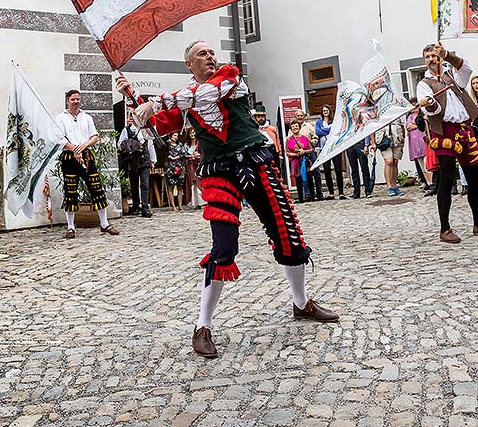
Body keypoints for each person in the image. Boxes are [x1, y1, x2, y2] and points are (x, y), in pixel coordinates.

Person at [116, 41, 339, 359]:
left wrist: (156, 101)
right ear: (189, 66)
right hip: (219, 172)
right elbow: (159, 127)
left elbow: (208, 94)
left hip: (255, 162)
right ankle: (202, 326)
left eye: (211, 52)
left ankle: (302, 303)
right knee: (223, 248)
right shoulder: (186, 97)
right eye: (201, 55)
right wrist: (133, 96)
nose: (210, 57)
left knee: (287, 233)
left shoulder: (230, 77)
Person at [416, 43, 478, 243]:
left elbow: (467, 70)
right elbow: (433, 109)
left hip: (465, 130)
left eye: (434, 55)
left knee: (474, 179)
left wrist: (446, 54)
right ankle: (445, 229)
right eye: (428, 56)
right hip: (444, 133)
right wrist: (429, 103)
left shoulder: (452, 76)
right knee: (447, 180)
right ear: (425, 60)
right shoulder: (424, 84)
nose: (432, 59)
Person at [56, 90, 119, 239]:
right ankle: (71, 227)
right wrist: (74, 149)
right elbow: (59, 139)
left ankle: (104, 224)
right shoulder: (60, 118)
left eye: (78, 99)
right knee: (70, 191)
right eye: (73, 99)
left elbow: (95, 136)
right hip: (68, 157)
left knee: (97, 188)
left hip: (87, 155)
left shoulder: (87, 117)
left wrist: (83, 147)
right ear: (67, 101)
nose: (76, 102)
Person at [118, 116, 156, 217]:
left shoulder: (146, 130)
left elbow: (150, 145)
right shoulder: (126, 130)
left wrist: (153, 160)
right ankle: (135, 207)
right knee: (134, 185)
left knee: (145, 185)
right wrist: (129, 145)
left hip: (145, 160)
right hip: (133, 160)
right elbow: (120, 144)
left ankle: (145, 208)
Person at [315, 105, 345, 199]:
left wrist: (325, 130)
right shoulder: (319, 122)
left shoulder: (335, 121)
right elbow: (318, 132)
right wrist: (328, 131)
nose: (325, 112)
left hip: (334, 147)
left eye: (326, 110)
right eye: (323, 110)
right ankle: (331, 193)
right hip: (324, 149)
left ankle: (341, 192)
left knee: (338, 170)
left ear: (330, 111)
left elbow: (335, 131)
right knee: (327, 170)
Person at [286, 119, 316, 203]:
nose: (295, 128)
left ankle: (312, 196)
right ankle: (301, 198)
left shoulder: (305, 138)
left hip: (305, 161)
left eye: (296, 126)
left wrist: (304, 152)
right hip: (295, 162)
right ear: (291, 129)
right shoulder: (288, 140)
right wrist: (295, 155)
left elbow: (311, 149)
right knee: (298, 180)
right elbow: (287, 152)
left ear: (299, 127)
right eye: (293, 126)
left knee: (309, 178)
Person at [406, 100, 431, 190]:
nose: (414, 108)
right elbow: (408, 127)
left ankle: (431, 181)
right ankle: (427, 181)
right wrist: (417, 124)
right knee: (421, 165)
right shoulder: (410, 117)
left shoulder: (422, 114)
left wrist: (415, 124)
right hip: (415, 143)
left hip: (423, 140)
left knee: (426, 162)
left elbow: (423, 124)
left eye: (416, 106)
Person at [379, 118, 406, 197]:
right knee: (389, 161)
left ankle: (394, 185)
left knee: (395, 162)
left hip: (397, 136)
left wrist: (403, 137)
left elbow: (402, 124)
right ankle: (389, 186)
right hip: (384, 137)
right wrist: (373, 142)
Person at [165, 132, 187, 212]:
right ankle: (173, 206)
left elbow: (183, 154)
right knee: (171, 186)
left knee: (180, 187)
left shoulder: (180, 144)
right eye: (174, 135)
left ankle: (180, 205)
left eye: (177, 136)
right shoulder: (167, 145)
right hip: (171, 168)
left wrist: (175, 157)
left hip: (180, 167)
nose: (176, 137)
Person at [185, 127, 203, 209]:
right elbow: (184, 154)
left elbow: (202, 153)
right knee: (192, 182)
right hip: (190, 165)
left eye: (193, 133)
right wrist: (191, 156)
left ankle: (201, 201)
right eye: (190, 133)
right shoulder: (186, 145)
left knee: (199, 182)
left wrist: (198, 155)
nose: (192, 134)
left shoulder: (199, 144)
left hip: (198, 164)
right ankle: (194, 202)